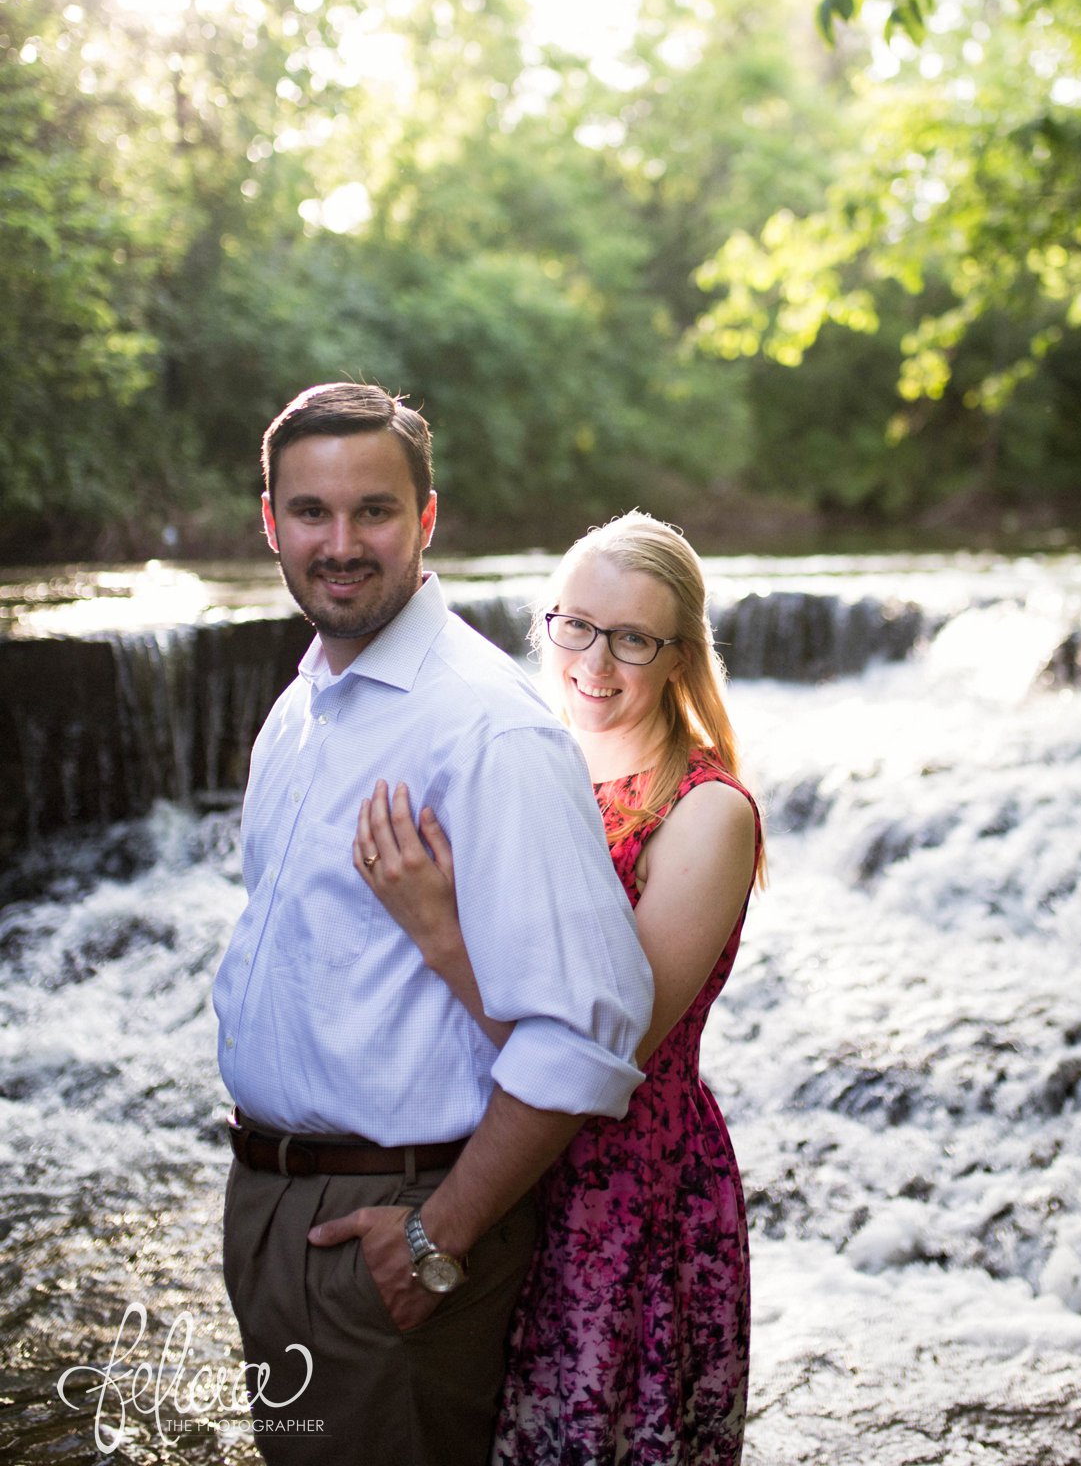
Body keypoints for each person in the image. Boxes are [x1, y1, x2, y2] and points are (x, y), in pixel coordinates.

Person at [212, 384, 653, 1466]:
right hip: (275, 1211)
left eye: (375, 510)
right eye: (311, 512)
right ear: (270, 521)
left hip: (394, 1223)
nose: (342, 541)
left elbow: (587, 1031)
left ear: (427, 519)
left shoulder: (488, 728)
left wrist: (434, 1237)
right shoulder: (300, 707)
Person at [355, 509, 764, 1466]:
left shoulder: (702, 816)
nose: (594, 661)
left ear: (680, 655)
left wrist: (434, 925)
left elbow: (602, 1053)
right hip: (493, 1162)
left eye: (632, 639)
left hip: (625, 1198)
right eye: (574, 625)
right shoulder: (526, 760)